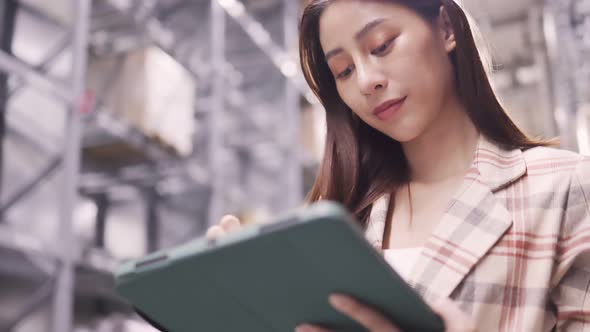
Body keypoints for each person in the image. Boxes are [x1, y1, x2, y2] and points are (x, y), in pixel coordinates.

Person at [207, 0, 590, 331]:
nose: (366, 81)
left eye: (382, 45)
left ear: (444, 28)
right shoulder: (336, 222)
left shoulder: (566, 188)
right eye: (344, 71)